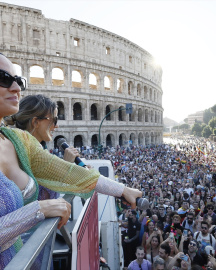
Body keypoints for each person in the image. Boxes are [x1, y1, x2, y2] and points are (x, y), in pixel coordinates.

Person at [0, 53, 141, 268]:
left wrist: (121, 190)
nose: (16, 88)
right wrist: (39, 210)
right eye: (4, 79)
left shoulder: (19, 140)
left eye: (19, 81)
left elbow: (68, 172)